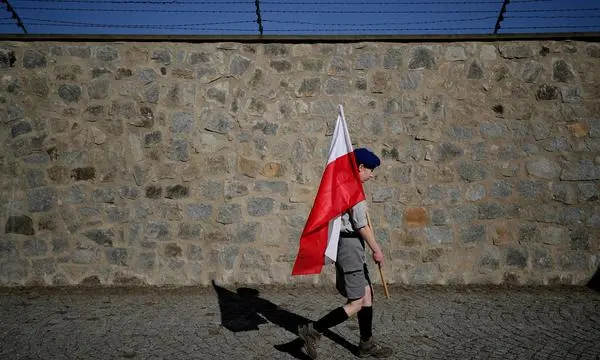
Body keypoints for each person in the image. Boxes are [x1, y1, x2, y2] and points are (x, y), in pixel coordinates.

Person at [298, 147, 393, 359]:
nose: (372, 174)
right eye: (370, 170)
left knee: (366, 294)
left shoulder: (345, 185)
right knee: (357, 301)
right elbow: (361, 225)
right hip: (350, 246)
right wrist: (377, 250)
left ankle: (366, 344)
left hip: (350, 246)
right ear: (360, 167)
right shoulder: (353, 190)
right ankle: (312, 331)